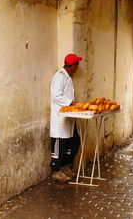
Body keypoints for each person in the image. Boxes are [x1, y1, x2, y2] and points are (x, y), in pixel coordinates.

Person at [50, 53, 82, 182]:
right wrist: (71, 102)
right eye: (77, 65)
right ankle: (56, 171)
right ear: (73, 66)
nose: (78, 68)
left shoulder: (67, 76)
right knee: (60, 144)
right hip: (59, 117)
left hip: (68, 116)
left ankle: (65, 167)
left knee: (74, 142)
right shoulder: (60, 76)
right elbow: (56, 96)